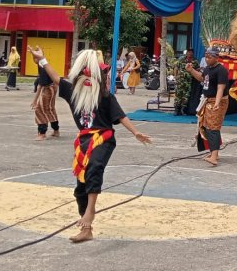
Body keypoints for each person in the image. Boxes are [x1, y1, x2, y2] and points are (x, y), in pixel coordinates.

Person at [28, 46, 151, 243]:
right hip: (84, 141)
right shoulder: (73, 92)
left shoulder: (104, 95)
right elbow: (56, 77)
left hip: (103, 138)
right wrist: (42, 60)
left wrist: (135, 132)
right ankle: (87, 229)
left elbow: (120, 116)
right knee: (80, 188)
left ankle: (90, 213)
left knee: (94, 168)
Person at [185, 47, 228, 167]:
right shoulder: (208, 68)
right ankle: (214, 153)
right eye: (206, 57)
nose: (207, 59)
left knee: (213, 127)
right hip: (207, 100)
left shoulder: (221, 70)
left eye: (209, 57)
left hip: (217, 101)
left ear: (216, 57)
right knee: (206, 126)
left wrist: (217, 103)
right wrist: (191, 70)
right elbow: (202, 78)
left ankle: (214, 157)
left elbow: (220, 89)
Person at [31, 56, 59, 140]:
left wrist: (35, 101)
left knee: (39, 109)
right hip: (52, 87)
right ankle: (56, 130)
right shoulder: (44, 64)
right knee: (49, 109)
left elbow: (40, 86)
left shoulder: (42, 67)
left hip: (48, 88)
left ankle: (42, 133)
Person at [174, 49, 200, 116]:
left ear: (193, 53)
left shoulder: (195, 61)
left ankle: (183, 110)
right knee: (178, 95)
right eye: (189, 52)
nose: (190, 54)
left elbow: (197, 69)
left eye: (191, 52)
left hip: (188, 81)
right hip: (180, 81)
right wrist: (175, 77)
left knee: (186, 96)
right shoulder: (181, 59)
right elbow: (176, 68)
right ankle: (176, 109)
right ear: (187, 53)